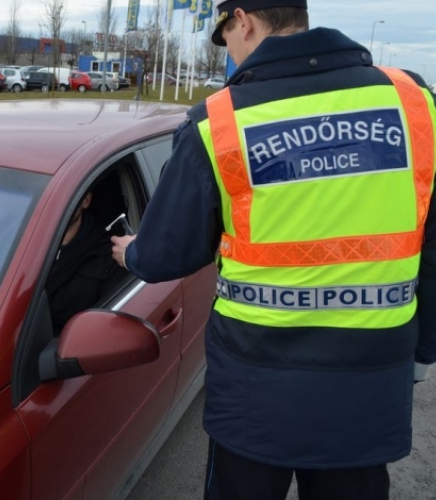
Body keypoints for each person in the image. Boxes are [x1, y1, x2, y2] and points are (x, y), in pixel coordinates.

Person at [111, 1, 436, 499]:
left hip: (254, 392)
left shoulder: (218, 122)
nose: (233, 55)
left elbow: (165, 255)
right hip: (369, 385)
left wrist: (133, 253)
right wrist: (423, 347)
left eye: (228, 39)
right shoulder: (414, 103)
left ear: (244, 20)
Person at [46, 190, 129, 336]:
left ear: (86, 201)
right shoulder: (16, 240)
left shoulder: (108, 256)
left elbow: (104, 332)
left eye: (65, 197)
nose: (56, 204)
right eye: (48, 196)